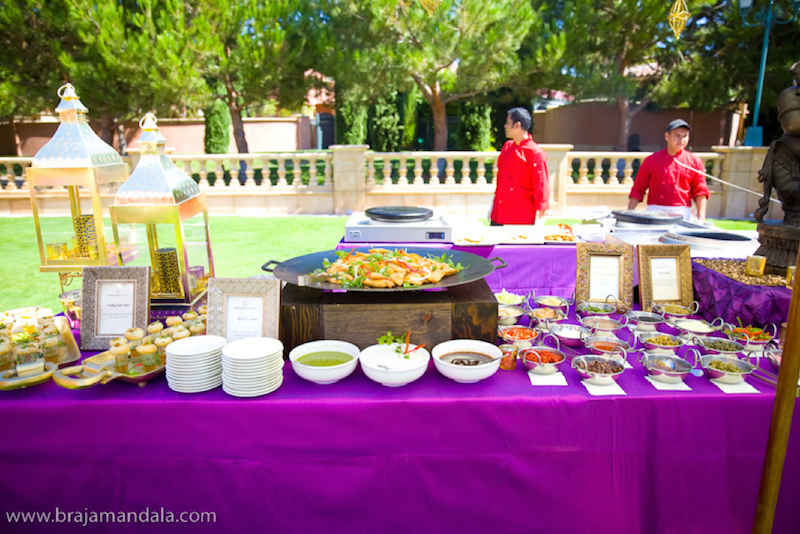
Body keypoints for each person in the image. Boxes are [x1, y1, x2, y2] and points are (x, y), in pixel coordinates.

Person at [627, 119, 709, 222]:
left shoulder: (694, 162)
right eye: (677, 135)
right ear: (667, 136)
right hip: (655, 211)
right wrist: (628, 214)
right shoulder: (651, 160)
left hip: (681, 212)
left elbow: (700, 191)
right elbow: (638, 189)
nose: (681, 140)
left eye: (684, 136)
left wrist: (701, 219)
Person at [489, 107, 550, 225]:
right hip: (499, 213)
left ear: (517, 125)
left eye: (508, 123)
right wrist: (494, 203)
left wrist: (541, 213)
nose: (505, 126)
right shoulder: (507, 147)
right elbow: (501, 179)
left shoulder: (535, 153)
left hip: (521, 216)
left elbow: (541, 185)